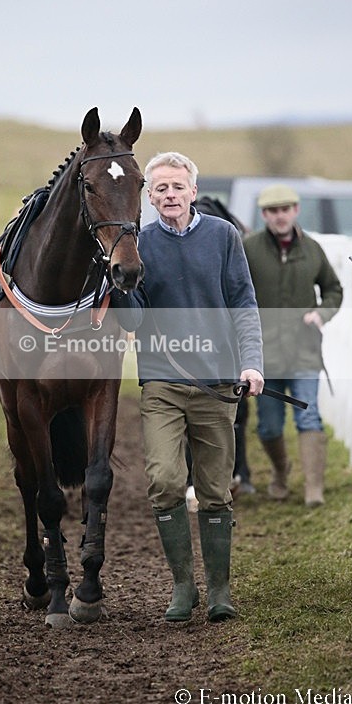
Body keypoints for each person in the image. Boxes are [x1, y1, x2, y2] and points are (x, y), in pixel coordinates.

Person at [111, 152, 264, 624]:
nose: (170, 195)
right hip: (162, 383)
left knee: (216, 489)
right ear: (149, 197)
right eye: (160, 189)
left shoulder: (223, 236)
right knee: (164, 479)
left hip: (218, 384)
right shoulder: (139, 244)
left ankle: (219, 590)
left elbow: (243, 301)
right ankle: (183, 587)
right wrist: (120, 284)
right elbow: (132, 319)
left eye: (177, 187)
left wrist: (252, 363)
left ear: (193, 191)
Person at [243, 184, 343, 507]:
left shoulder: (313, 249)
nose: (280, 216)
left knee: (308, 417)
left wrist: (321, 313)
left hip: (304, 352)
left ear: (296, 210)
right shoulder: (249, 249)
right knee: (269, 425)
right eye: (273, 211)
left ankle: (314, 489)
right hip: (265, 356)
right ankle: (280, 472)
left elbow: (333, 289)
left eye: (285, 209)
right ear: (264, 215)